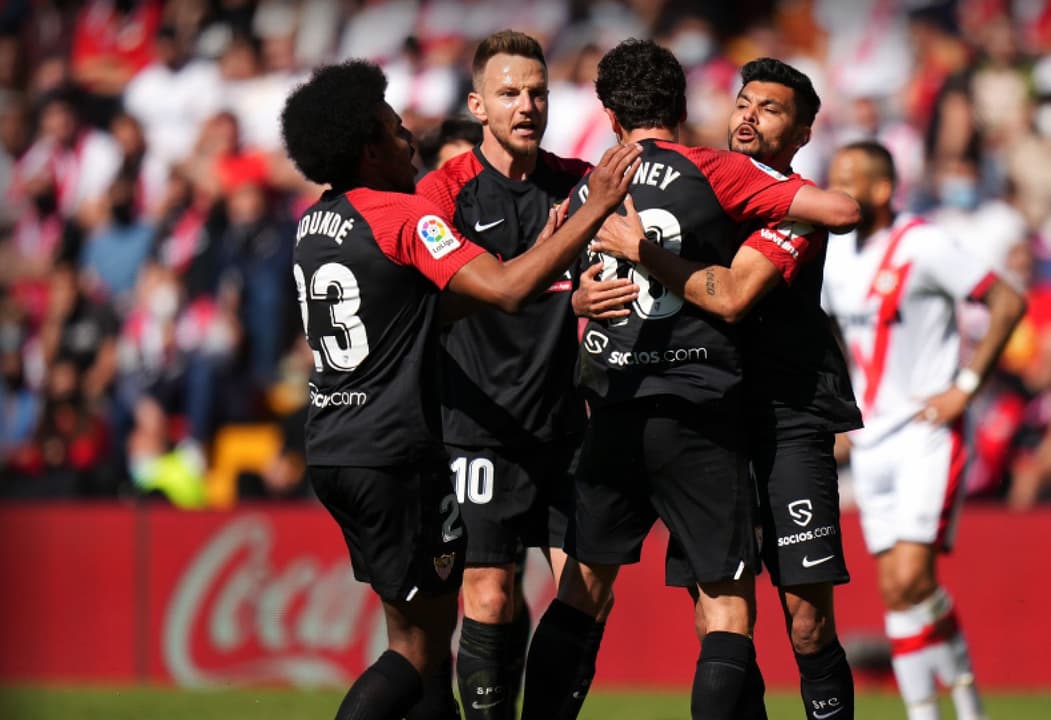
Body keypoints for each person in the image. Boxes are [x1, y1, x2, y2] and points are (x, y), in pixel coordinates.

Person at [280, 59, 639, 720]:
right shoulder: (406, 218)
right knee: (417, 657)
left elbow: (424, 313)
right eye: (393, 132)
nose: (407, 141)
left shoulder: (312, 225)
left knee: (423, 644)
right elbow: (503, 289)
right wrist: (593, 213)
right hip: (394, 453)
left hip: (332, 444)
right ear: (366, 150)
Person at [520, 39, 860, 720]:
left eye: (770, 110)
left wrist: (626, 257)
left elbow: (735, 294)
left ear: (801, 132)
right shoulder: (710, 178)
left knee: (802, 620)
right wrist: (581, 296)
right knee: (719, 612)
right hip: (706, 412)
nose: (749, 117)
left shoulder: (769, 203)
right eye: (742, 103)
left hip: (785, 418)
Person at [414, 30, 597, 720]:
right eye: (509, 93)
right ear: (478, 105)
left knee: (588, 589)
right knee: (488, 593)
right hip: (480, 424)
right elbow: (459, 295)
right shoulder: (444, 192)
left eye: (538, 92)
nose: (526, 105)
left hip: (564, 427)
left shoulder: (581, 185)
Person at [821, 140, 1026, 720]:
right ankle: (945, 705)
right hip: (869, 440)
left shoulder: (926, 244)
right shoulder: (836, 260)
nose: (835, 189)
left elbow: (1007, 301)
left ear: (882, 190)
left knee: (912, 576)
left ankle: (948, 706)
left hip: (926, 433)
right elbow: (839, 340)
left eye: (847, 178)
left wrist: (965, 386)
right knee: (896, 590)